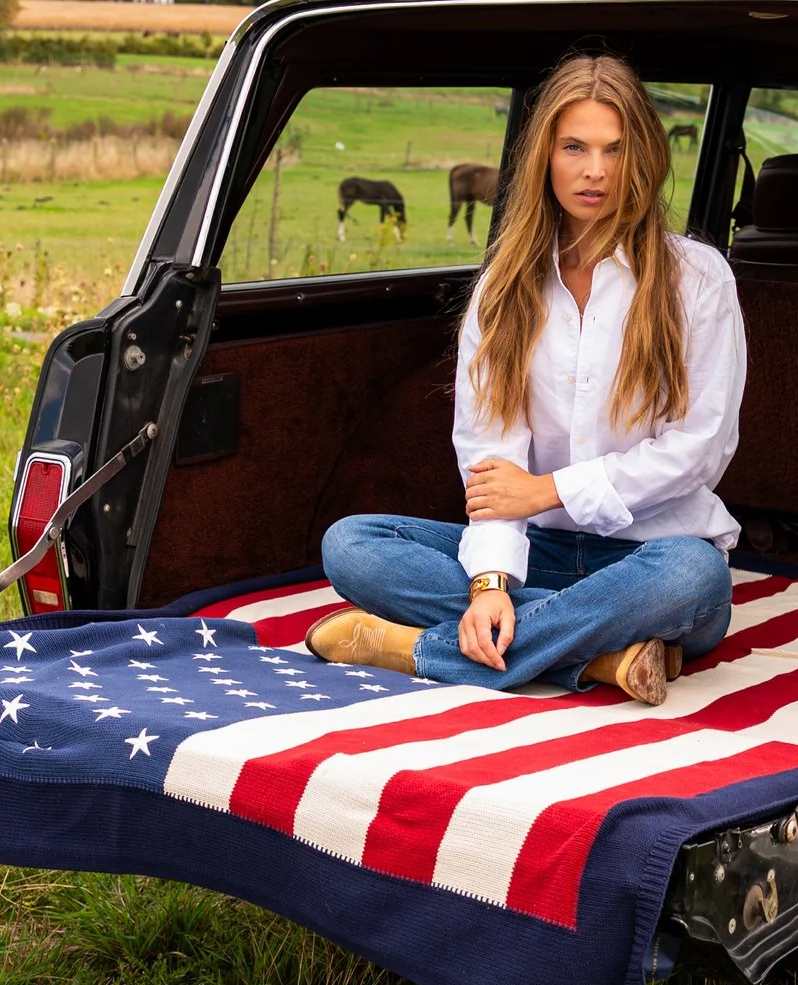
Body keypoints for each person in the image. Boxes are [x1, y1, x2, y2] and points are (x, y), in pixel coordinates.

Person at [308, 48, 747, 704]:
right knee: (352, 543)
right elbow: (491, 463)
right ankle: (599, 652)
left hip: (653, 554)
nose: (595, 170)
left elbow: (697, 453)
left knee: (693, 576)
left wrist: (544, 490)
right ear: (545, 153)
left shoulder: (699, 278)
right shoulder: (504, 291)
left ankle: (419, 650)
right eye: (574, 146)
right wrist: (488, 584)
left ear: (644, 158)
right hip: (534, 554)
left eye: (614, 149)